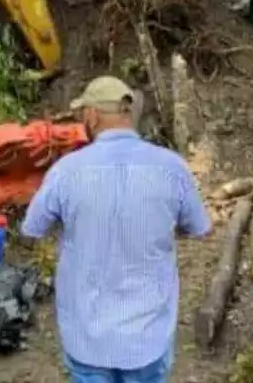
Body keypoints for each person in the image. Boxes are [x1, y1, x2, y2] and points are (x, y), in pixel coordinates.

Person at [22, 76, 211, 383]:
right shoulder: (172, 167)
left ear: (92, 115)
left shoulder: (66, 171)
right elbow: (199, 228)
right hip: (147, 338)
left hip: (88, 339)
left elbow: (33, 228)